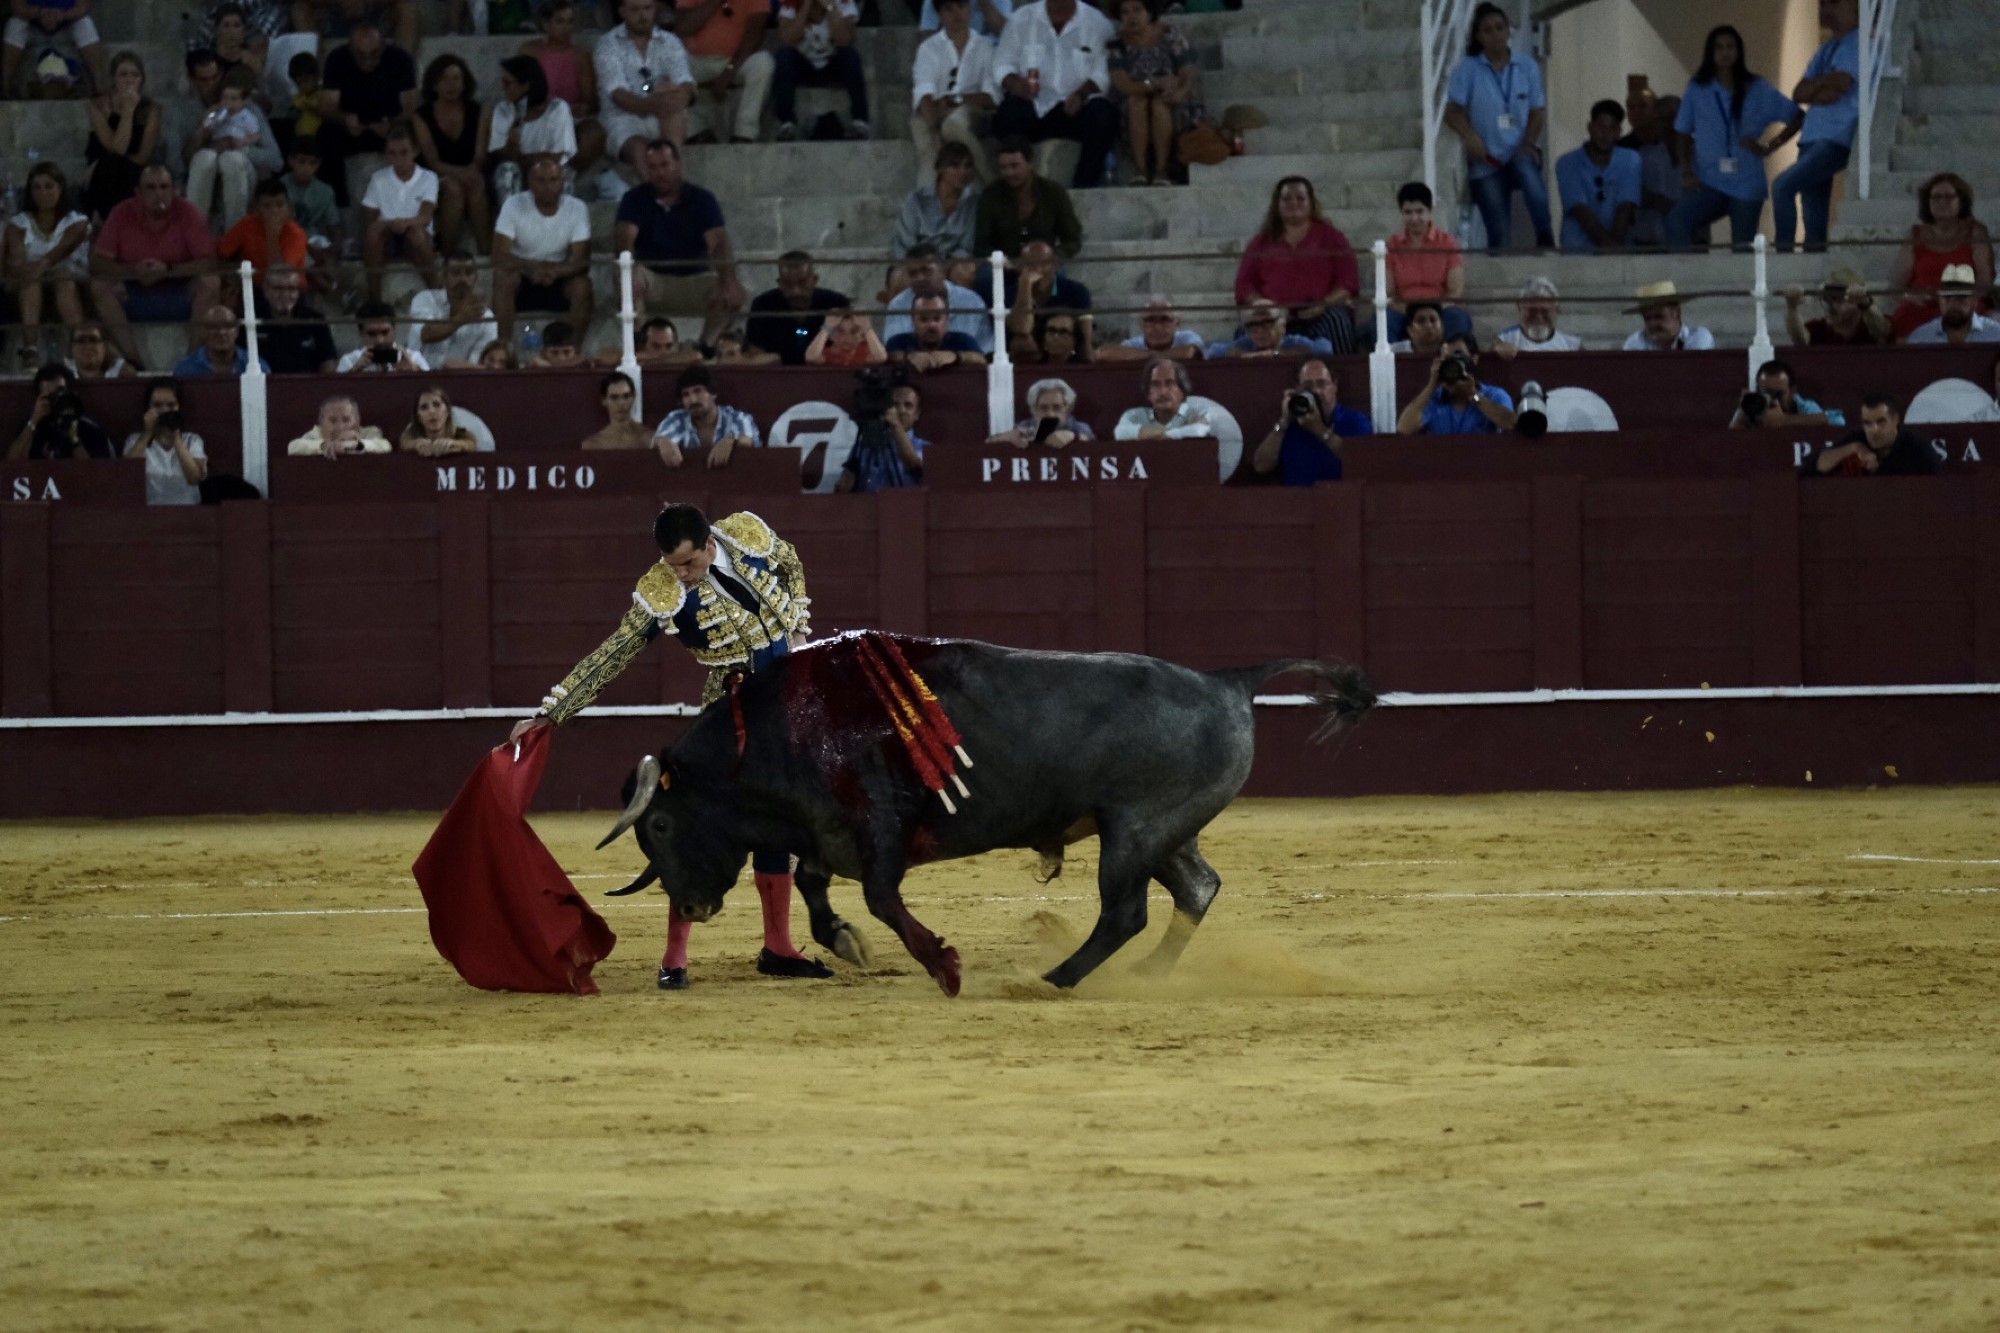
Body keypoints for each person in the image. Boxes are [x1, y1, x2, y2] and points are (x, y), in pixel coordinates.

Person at [507, 501, 831, 989]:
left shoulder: (746, 534)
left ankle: (779, 947)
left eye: (689, 564)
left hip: (785, 702)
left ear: (709, 544)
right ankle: (675, 955)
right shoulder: (661, 591)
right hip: (727, 708)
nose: (681, 575)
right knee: (693, 830)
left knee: (779, 821)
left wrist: (800, 619)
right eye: (672, 565)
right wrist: (552, 712)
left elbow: (789, 559)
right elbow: (613, 653)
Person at [1666, 26, 1801, 250]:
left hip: (1746, 182)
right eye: (1719, 47)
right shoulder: (1698, 88)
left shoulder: (1756, 88)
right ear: (1710, 52)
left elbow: (1797, 116)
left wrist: (1770, 146)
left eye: (1730, 47)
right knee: (1677, 220)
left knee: (1742, 249)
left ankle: (1744, 285)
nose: (1725, 52)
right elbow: (1682, 131)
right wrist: (1687, 171)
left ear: (1739, 51)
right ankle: (1687, 281)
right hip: (1709, 179)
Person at [615, 137, 746, 349]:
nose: (659, 173)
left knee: (732, 291)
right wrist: (628, 268)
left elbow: (718, 242)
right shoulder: (634, 199)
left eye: (665, 165)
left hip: (695, 279)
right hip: (653, 279)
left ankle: (705, 348)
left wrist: (728, 279)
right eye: (653, 167)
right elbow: (624, 238)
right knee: (627, 276)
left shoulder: (702, 199)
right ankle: (643, 342)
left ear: (678, 164)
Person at [89, 166, 220, 371]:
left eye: (164, 187)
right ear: (138, 193)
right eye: (150, 188)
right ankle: (132, 361)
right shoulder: (122, 212)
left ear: (174, 190)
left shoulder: (188, 212)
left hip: (180, 294)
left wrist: (167, 270)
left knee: (211, 282)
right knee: (99, 286)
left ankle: (193, 360)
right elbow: (98, 263)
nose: (158, 193)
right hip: (133, 293)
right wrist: (133, 271)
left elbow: (210, 262)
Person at [1443, 2, 1551, 249]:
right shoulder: (1468, 69)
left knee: (1528, 172)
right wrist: (1469, 136)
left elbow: (1537, 111)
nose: (1495, 35)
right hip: (1486, 161)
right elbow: (1452, 111)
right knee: (1499, 236)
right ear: (1479, 36)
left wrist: (1528, 143)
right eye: (1488, 30)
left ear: (1508, 31)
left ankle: (1545, 235)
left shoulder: (1527, 67)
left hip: (1518, 151)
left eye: (1500, 28)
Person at [990, 0, 1118, 189]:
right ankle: (1017, 186)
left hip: (1075, 107)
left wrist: (1082, 93)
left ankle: (1083, 187)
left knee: (1103, 115)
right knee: (1007, 114)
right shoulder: (1021, 19)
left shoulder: (1098, 23)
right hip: (1033, 106)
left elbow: (1104, 73)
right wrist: (1014, 83)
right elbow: (1002, 64)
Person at [1235, 175, 1360, 352]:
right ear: (1277, 204)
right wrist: (1267, 308)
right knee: (1244, 330)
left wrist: (1323, 304)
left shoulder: (1331, 237)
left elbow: (1349, 281)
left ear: (1311, 202)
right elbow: (1244, 285)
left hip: (1320, 312)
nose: (1293, 203)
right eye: (1286, 199)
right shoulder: (1261, 242)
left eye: (1300, 198)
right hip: (1274, 315)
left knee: (1336, 322)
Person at [1774, 0, 1860, 253]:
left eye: (1834, 3)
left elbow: (1842, 83)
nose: (1825, 9)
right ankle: (1813, 268)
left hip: (1835, 136)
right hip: (1813, 136)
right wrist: (1820, 88)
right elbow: (1798, 92)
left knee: (1783, 187)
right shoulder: (1826, 48)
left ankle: (1784, 255)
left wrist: (1816, 87)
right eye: (1824, 4)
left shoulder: (1857, 42)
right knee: (1813, 214)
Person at [316, 16, 419, 205]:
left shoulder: (400, 59)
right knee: (325, 137)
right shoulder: (337, 58)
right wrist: (344, 119)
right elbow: (326, 106)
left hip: (390, 126)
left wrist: (392, 123)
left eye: (374, 54)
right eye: (361, 55)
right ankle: (337, 205)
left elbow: (411, 107)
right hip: (350, 128)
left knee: (415, 134)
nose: (368, 60)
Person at [492, 156, 594, 345]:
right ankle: (503, 347)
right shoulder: (513, 204)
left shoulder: (577, 208)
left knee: (582, 286)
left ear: (563, 182)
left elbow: (581, 261)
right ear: (529, 183)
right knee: (503, 278)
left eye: (553, 180)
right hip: (523, 278)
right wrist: (532, 268)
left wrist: (553, 272)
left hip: (559, 280)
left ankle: (572, 350)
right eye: (541, 181)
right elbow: (499, 255)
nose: (547, 186)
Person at [4, 161, 88, 372]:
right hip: (28, 287)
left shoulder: (77, 222)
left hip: (73, 283)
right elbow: (17, 264)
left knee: (61, 276)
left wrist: (41, 266)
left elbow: (62, 250)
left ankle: (76, 350)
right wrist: (36, 270)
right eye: (37, 187)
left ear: (60, 188)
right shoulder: (18, 224)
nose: (43, 193)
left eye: (49, 186)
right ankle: (30, 351)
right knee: (32, 282)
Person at [1106, 0, 1199, 188]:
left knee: (1159, 104)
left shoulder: (1170, 35)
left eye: (1137, 10)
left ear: (1149, 12)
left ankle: (1161, 170)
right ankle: (1140, 170)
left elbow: (1187, 72)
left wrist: (1180, 91)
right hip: (1133, 101)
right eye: (1125, 12)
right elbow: (1123, 84)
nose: (1131, 17)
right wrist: (1154, 83)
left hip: (1171, 98)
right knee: (1136, 102)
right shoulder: (1116, 44)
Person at [1888, 174, 1993, 340]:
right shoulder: (1915, 235)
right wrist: (1912, 297)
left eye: (1949, 197)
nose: (1942, 202)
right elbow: (1896, 285)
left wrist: (1963, 298)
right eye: (1936, 197)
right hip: (1923, 304)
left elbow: (1985, 280)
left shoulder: (1976, 232)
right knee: (1904, 317)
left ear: (1961, 200)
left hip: (1962, 302)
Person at [596, 0, 695, 165]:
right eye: (635, 9)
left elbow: (684, 82)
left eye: (647, 8)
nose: (642, 16)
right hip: (622, 118)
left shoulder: (670, 41)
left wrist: (676, 98)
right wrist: (658, 103)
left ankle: (672, 168)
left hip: (662, 115)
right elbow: (618, 95)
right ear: (622, 11)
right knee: (640, 150)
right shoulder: (607, 44)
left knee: (674, 106)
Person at [182, 65, 279, 231]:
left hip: (243, 172)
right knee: (204, 157)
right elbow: (186, 158)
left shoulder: (250, 112)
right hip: (213, 176)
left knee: (231, 160)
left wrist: (238, 146)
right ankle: (194, 231)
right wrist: (202, 132)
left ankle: (235, 233)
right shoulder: (211, 113)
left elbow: (276, 160)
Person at [911, 0, 998, 184]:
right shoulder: (928, 49)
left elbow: (991, 97)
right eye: (949, 8)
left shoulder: (985, 47)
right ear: (940, 15)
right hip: (936, 112)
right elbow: (924, 93)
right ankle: (929, 196)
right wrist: (935, 129)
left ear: (970, 9)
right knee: (923, 131)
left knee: (953, 124)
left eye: (961, 6)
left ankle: (991, 182)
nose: (957, 14)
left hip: (971, 112)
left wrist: (955, 101)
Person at [1251, 358, 1374, 485]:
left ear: (1334, 386)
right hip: (1297, 500)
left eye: (1322, 384)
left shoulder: (1355, 420)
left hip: (1341, 499)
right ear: (1298, 389)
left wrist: (1320, 430)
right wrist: (1283, 423)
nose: (1316, 391)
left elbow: (1361, 462)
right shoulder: (1291, 425)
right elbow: (1261, 465)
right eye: (1308, 386)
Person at [413, 54, 489, 255]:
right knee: (453, 189)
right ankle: (447, 254)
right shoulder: (421, 115)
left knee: (477, 184)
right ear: (434, 84)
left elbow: (480, 153)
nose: (451, 84)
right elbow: (432, 160)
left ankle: (485, 254)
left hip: (471, 171)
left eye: (456, 78)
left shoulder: (478, 111)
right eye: (444, 79)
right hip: (434, 175)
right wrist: (462, 173)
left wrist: (471, 171)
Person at [518, 0, 608, 171]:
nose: (566, 28)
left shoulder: (581, 55)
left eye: (570, 21)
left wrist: (584, 107)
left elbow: (590, 99)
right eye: (560, 21)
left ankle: (562, 172)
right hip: (538, 116)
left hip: (572, 118)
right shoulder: (530, 51)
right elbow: (519, 91)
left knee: (594, 133)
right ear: (546, 24)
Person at [671, 0, 772, 148]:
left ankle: (744, 134)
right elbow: (683, 27)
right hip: (696, 61)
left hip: (735, 61)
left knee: (763, 63)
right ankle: (696, 131)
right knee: (665, 67)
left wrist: (729, 71)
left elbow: (756, 34)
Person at [360, 121, 440, 301]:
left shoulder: (428, 178)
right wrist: (390, 225)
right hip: (388, 238)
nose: (399, 159)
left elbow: (425, 217)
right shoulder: (378, 179)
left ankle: (437, 292)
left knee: (417, 234)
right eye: (392, 153)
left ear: (415, 151)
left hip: (415, 236)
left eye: (404, 152)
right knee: (373, 233)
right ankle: (374, 298)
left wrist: (404, 224)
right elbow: (370, 220)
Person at [481, 55, 578, 200]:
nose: (503, 87)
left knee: (560, 175)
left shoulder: (557, 109)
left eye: (508, 83)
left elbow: (556, 156)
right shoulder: (503, 110)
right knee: (507, 171)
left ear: (525, 85)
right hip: (518, 172)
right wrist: (510, 147)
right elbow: (501, 157)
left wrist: (522, 158)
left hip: (548, 171)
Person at [1384, 182, 1471, 344]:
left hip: (1441, 309)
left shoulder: (1447, 243)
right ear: (1401, 213)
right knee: (1383, 323)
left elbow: (1455, 291)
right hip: (1404, 310)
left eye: (1419, 211)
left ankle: (1452, 367)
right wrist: (1412, 312)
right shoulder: (1392, 246)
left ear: (1430, 211)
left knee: (1457, 319)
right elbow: (1389, 293)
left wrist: (1431, 311)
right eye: (1408, 212)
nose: (1414, 218)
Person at [770, 0, 869, 141]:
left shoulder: (844, 3)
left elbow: (845, 40)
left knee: (851, 56)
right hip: (803, 65)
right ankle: (787, 123)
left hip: (832, 63)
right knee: (783, 56)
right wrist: (806, 5)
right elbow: (788, 40)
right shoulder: (790, 5)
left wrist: (829, 6)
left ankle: (860, 122)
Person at [974, 137, 1084, 260]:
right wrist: (1005, 261)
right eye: (1003, 168)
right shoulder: (990, 194)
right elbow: (981, 244)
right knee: (985, 275)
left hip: (1044, 263)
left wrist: (1053, 255)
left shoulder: (1053, 192)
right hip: (1003, 265)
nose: (1009, 173)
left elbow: (1073, 238)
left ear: (1030, 163)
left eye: (1014, 166)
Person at [84, 51, 161, 222]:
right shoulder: (98, 105)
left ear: (142, 80)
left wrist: (129, 109)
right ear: (114, 78)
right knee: (110, 165)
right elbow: (116, 147)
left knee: (120, 168)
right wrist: (127, 112)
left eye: (135, 75)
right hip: (102, 170)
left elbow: (143, 156)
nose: (129, 80)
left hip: (133, 170)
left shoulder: (151, 109)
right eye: (123, 74)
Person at [1556, 100, 1641, 253]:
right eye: (1600, 127)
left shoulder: (1631, 159)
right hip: (1578, 253)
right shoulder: (1567, 163)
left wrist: (1613, 251)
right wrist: (1609, 249)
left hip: (1618, 249)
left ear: (1619, 132)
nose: (1606, 134)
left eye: (1612, 128)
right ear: (1590, 127)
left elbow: (1626, 207)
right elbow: (1581, 211)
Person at [1396, 334, 1517, 435]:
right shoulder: (1433, 399)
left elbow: (1511, 424)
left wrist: (1473, 396)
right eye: (1447, 358)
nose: (1453, 361)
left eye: (1458, 354)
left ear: (1474, 358)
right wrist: (1432, 385)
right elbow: (1403, 429)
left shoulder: (1494, 395)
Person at [746, 250, 850, 364]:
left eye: (802, 282)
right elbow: (755, 355)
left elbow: (850, 349)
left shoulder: (836, 303)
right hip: (777, 375)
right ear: (779, 283)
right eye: (787, 284)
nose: (796, 291)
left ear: (814, 280)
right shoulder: (762, 305)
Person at [883, 244, 991, 352]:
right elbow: (893, 352)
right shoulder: (897, 306)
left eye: (926, 271)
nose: (919, 278)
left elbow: (986, 351)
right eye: (913, 274)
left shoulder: (972, 303)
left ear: (942, 269)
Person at [1804, 392, 1940, 476]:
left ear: (1896, 420)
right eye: (1867, 423)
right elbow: (1816, 466)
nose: (1873, 429)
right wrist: (1855, 448)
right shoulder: (1858, 438)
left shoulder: (1918, 450)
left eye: (1881, 422)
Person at [651, 363, 760, 467]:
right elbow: (656, 441)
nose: (693, 400)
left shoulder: (736, 417)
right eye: (686, 394)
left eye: (698, 391)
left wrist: (731, 441)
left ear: (713, 394)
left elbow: (747, 441)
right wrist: (662, 441)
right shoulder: (676, 419)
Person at [122, 378, 208, 505]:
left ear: (179, 407)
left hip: (188, 511)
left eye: (171, 405)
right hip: (148, 511)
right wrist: (147, 434)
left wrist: (176, 437)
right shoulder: (134, 440)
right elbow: (126, 474)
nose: (164, 411)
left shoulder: (192, 440)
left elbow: (194, 478)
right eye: (157, 405)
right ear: (148, 408)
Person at [896, 141, 984, 264]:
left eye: (967, 166)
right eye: (954, 166)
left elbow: (967, 246)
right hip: (916, 263)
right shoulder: (916, 200)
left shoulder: (974, 202)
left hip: (952, 264)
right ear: (940, 169)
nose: (962, 172)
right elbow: (905, 242)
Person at [406, 252, 499, 369]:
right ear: (443, 276)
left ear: (476, 278)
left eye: (469, 273)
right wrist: (461, 319)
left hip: (462, 381)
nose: (463, 279)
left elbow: (476, 365)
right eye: (456, 273)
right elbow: (426, 334)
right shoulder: (425, 299)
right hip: (418, 375)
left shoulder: (487, 319)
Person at [7, 363, 113, 461]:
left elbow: (97, 471)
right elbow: (12, 464)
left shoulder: (88, 425)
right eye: (49, 396)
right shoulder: (32, 426)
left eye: (59, 392)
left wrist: (74, 439)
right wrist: (34, 421)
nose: (55, 399)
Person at [838, 376, 927, 492]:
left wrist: (896, 425)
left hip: (907, 508)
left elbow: (914, 465)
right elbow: (843, 491)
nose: (901, 410)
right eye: (895, 404)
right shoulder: (865, 446)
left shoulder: (925, 447)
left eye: (908, 405)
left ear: (917, 414)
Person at [281, 136, 344, 295]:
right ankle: (333, 290)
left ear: (318, 165)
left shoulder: (325, 191)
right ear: (291, 161)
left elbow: (335, 226)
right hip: (288, 241)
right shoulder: (281, 187)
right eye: (301, 162)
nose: (306, 168)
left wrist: (332, 250)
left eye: (311, 163)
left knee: (327, 257)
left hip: (317, 243)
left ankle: (331, 284)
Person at [218, 177, 310, 285]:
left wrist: (272, 236)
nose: (274, 211)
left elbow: (280, 276)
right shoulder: (246, 224)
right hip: (255, 287)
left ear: (288, 208)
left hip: (288, 292)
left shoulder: (296, 234)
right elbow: (222, 253)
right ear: (257, 209)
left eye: (280, 205)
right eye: (267, 206)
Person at [248, 263, 338, 373]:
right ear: (266, 290)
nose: (285, 295)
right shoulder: (251, 321)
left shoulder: (315, 320)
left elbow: (328, 363)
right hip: (261, 387)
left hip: (306, 387)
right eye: (279, 289)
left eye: (291, 289)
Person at [2, 0, 105, 96]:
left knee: (85, 24)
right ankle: (5, 86)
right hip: (34, 24)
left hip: (66, 24)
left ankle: (100, 85)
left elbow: (84, 6)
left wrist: (62, 15)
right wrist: (40, 13)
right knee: (15, 25)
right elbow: (17, 7)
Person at [1620, 90, 1681, 247]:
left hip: (1688, 239)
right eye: (1631, 107)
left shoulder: (1699, 155)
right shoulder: (1628, 152)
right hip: (1645, 238)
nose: (1636, 112)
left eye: (1642, 106)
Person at [1113, 356, 1214, 440]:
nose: (1162, 392)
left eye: (1170, 383)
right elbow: (1120, 433)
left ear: (1182, 390)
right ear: (1148, 393)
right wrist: (1179, 431)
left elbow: (1199, 430)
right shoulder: (1134, 415)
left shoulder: (1197, 412)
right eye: (1155, 385)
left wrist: (1162, 434)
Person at [1784, 267, 1890, 347]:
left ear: (1857, 302)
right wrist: (1792, 307)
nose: (1832, 306)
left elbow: (1882, 331)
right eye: (1828, 299)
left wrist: (1866, 303)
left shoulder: (1869, 325)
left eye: (1838, 300)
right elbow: (1800, 339)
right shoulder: (1818, 328)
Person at [1728, 358, 1843, 430]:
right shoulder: (1755, 406)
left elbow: (1838, 421)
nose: (1772, 399)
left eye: (1778, 394)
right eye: (1766, 393)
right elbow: (1731, 440)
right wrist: (1743, 411)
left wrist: (1785, 420)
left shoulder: (1804, 407)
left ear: (1792, 391)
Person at [886, 291, 987, 372]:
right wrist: (907, 357)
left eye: (937, 318)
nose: (931, 325)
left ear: (947, 320)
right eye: (924, 319)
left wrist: (955, 356)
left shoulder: (964, 341)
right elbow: (886, 357)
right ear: (913, 321)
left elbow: (983, 360)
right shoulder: (898, 342)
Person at [987, 375, 1092, 448]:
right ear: (1034, 409)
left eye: (1057, 407)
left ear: (1068, 408)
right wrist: (1006, 437)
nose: (1050, 414)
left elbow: (1092, 443)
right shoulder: (1024, 426)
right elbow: (988, 443)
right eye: (1043, 408)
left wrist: (1074, 437)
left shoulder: (1079, 427)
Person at [1206, 298, 1330, 359]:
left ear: (1282, 326)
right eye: (1253, 326)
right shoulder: (1246, 343)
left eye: (1267, 323)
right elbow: (1213, 351)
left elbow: (1324, 348)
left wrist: (1277, 354)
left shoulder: (1293, 342)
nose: (1260, 331)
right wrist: (1248, 355)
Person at [1906, 265, 2000, 345]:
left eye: (1961, 297)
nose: (1953, 303)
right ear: (1939, 300)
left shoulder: (1996, 335)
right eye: (1947, 297)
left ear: (1974, 301)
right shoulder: (1920, 339)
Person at [1098, 293, 1203, 362]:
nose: (1157, 327)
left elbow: (1189, 353)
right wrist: (1154, 355)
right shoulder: (1133, 344)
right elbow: (1104, 353)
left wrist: (1143, 356)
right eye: (1150, 320)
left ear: (1177, 323)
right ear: (1141, 324)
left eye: (1164, 319)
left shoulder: (1187, 337)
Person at [1493, 276, 1582, 354]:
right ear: (1519, 308)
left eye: (1545, 311)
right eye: (1532, 311)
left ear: (1556, 310)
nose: (1539, 317)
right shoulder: (1505, 340)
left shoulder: (1572, 346)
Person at [286, 393, 394, 456]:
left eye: (346, 420)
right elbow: (293, 447)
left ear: (357, 420)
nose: (340, 426)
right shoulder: (316, 433)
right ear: (321, 421)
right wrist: (324, 446)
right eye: (333, 420)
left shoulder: (370, 432)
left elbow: (385, 445)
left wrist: (354, 445)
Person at [174, 305, 269, 376]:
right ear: (203, 332)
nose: (221, 332)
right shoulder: (185, 370)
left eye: (228, 326)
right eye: (214, 327)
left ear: (237, 331)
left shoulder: (258, 366)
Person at [1622, 281, 1715, 351]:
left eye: (1659, 317)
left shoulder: (1698, 337)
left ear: (1677, 313)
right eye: (1647, 319)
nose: (1652, 323)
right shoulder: (1635, 342)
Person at [338, 301, 430, 370]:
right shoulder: (349, 361)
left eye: (385, 332)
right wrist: (354, 373)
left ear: (394, 329)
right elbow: (336, 393)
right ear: (361, 333)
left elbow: (431, 392)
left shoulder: (414, 358)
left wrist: (412, 372)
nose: (380, 340)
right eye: (371, 334)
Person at [399, 384, 479, 456]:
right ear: (418, 417)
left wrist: (455, 444)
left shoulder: (459, 432)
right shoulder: (411, 433)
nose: (431, 411)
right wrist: (416, 444)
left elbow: (471, 443)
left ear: (447, 411)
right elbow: (405, 442)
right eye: (424, 407)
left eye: (437, 405)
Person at [579, 371, 651, 449]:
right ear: (604, 400)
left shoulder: (649, 439)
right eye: (614, 397)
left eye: (626, 396)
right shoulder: (593, 445)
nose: (621, 403)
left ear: (633, 397)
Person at [804, 308, 887, 366]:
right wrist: (827, 327)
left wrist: (867, 328)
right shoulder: (826, 353)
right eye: (840, 331)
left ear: (863, 336)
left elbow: (881, 357)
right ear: (830, 335)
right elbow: (811, 357)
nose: (847, 338)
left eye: (854, 331)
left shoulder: (866, 351)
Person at [66, 320, 131, 379]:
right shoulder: (62, 375)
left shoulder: (122, 373)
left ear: (104, 347)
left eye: (93, 340)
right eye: (81, 341)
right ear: (72, 347)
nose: (88, 346)